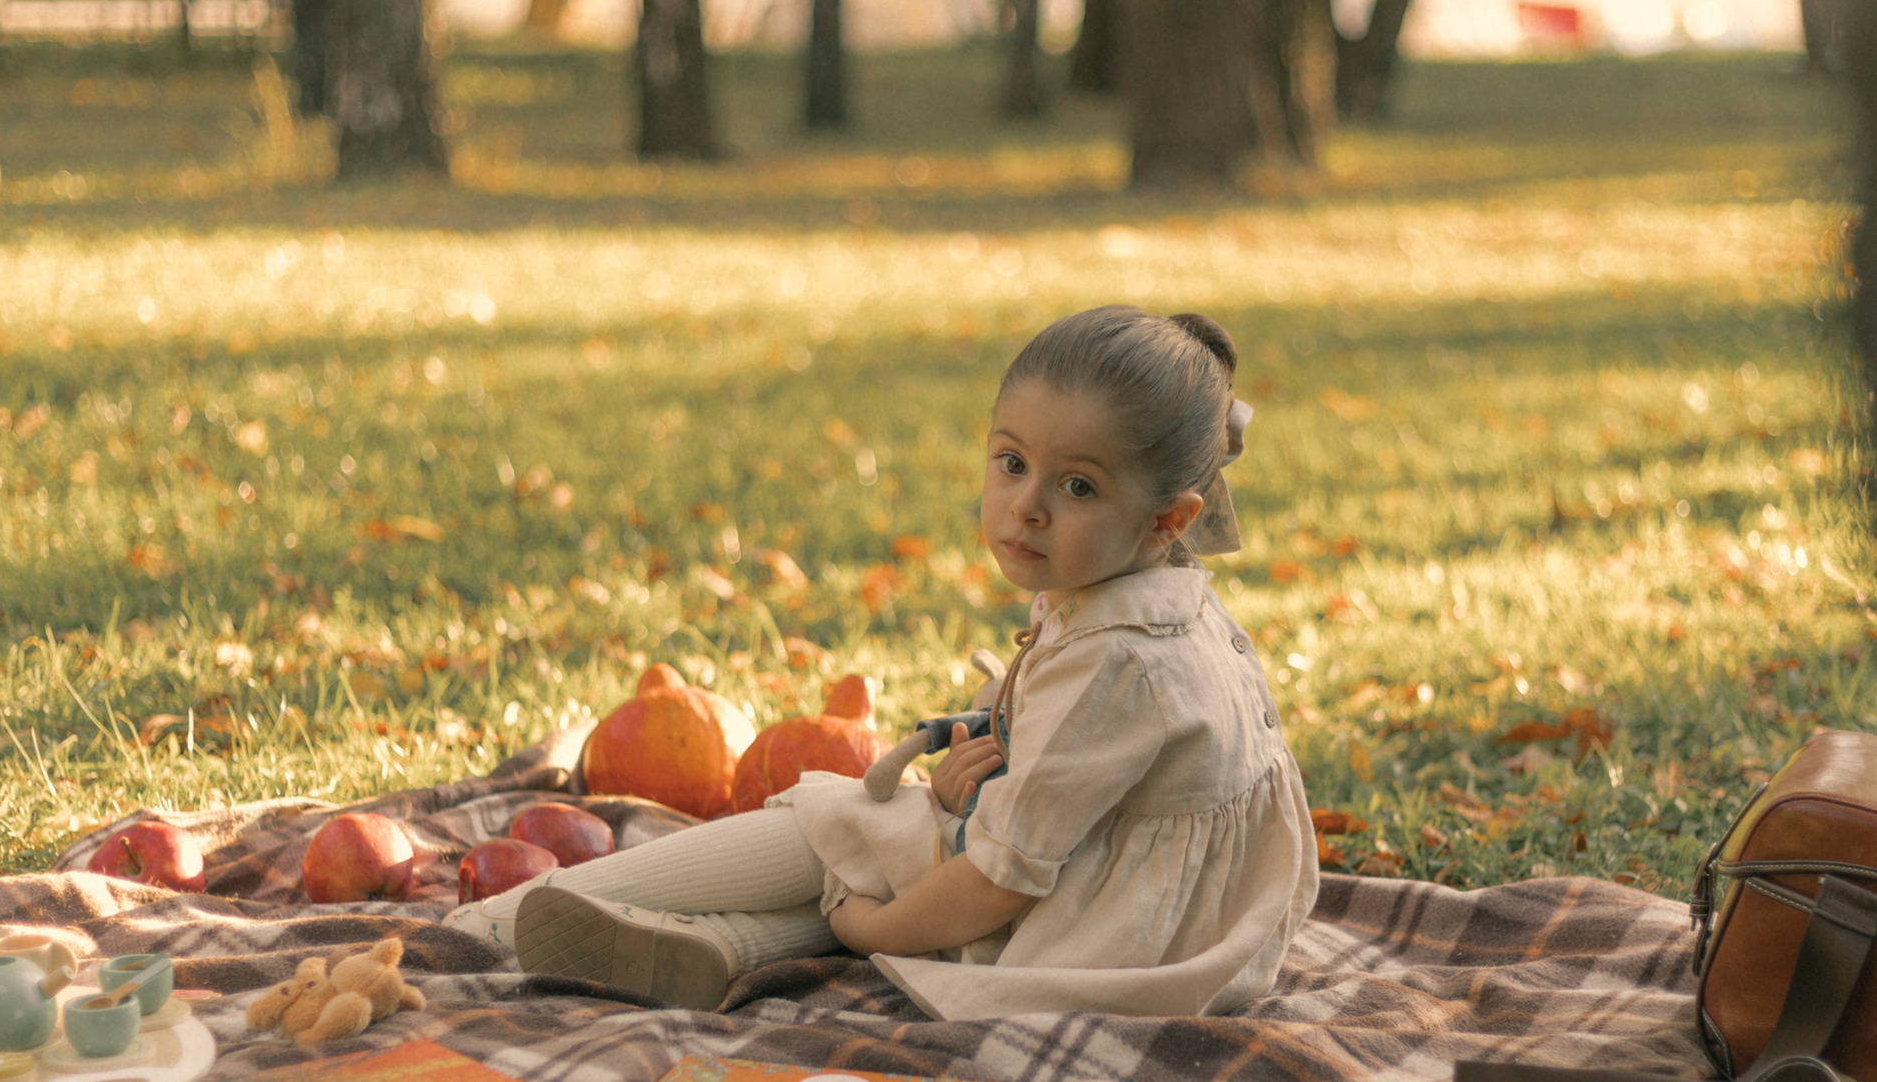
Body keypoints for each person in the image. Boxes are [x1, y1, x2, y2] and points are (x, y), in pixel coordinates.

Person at [451, 305, 1320, 1021]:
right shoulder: (1161, 596)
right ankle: (713, 948)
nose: (1027, 506)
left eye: (1078, 486)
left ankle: (492, 924)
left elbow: (999, 880)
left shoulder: (1114, 662)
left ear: (1170, 518)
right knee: (868, 855)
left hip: (1105, 944)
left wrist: (877, 930)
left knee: (831, 822)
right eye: (1012, 463)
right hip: (1186, 926)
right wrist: (982, 777)